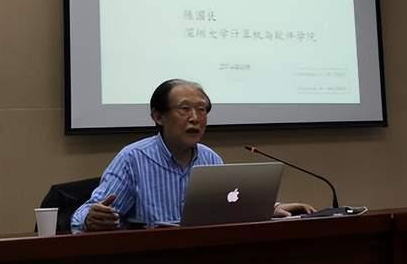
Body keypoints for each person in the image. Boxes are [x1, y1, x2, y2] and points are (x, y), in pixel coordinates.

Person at [71, 79, 314, 232]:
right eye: (185, 109)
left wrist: (271, 209)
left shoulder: (210, 159)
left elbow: (228, 207)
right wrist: (91, 219)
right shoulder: (133, 159)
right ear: (158, 117)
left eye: (201, 110)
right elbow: (82, 215)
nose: (195, 118)